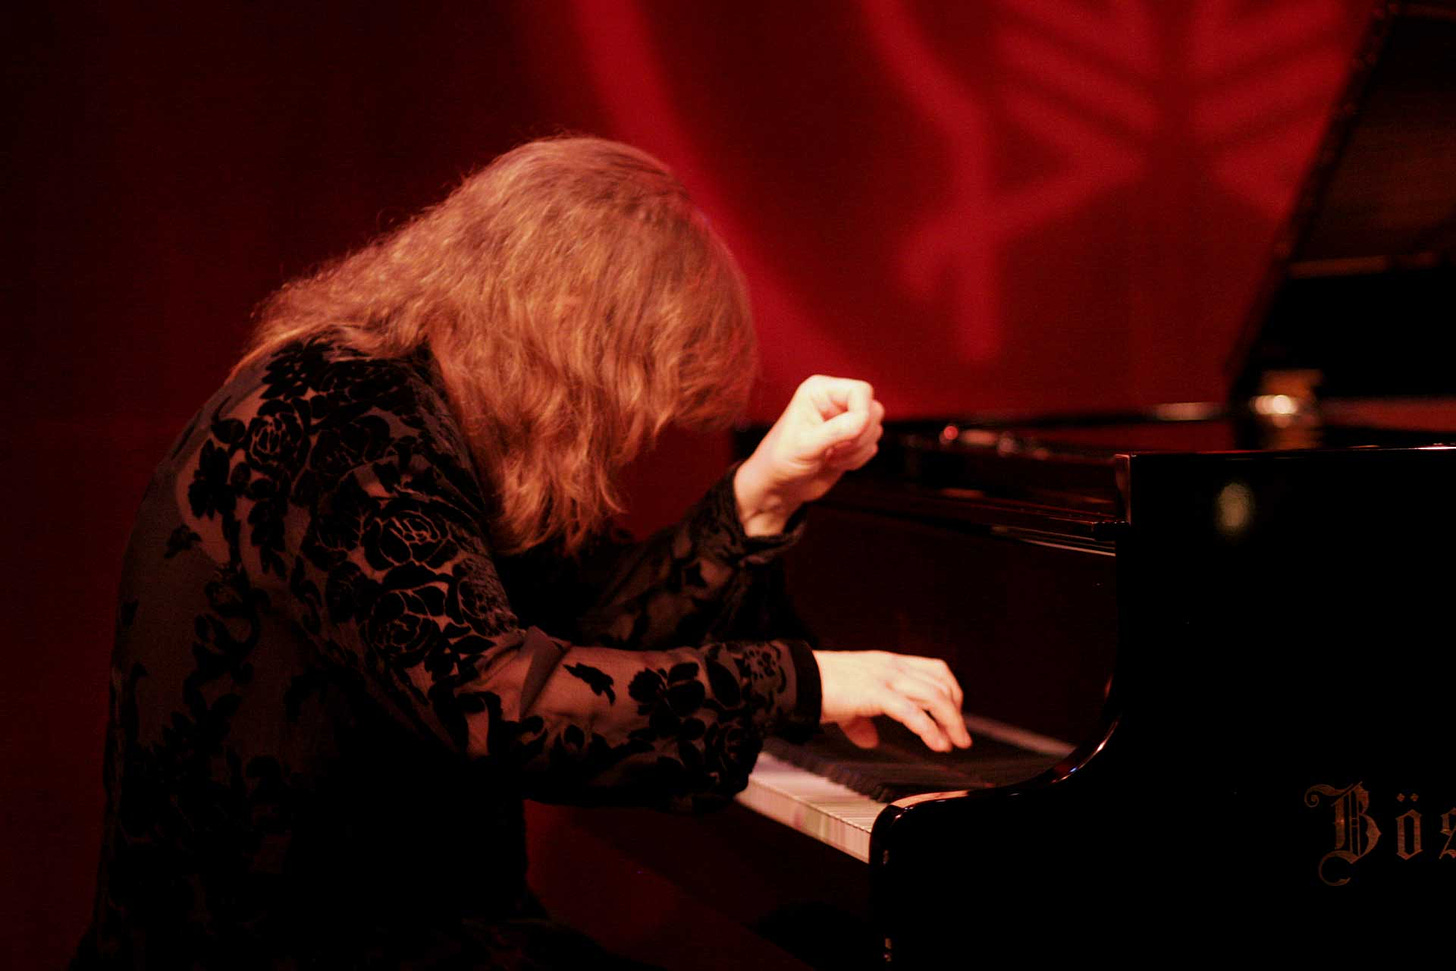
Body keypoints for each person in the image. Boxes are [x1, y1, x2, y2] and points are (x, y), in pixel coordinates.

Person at [76, 136, 970, 968]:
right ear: (568, 329)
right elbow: (499, 700)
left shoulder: (418, 414)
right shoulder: (336, 415)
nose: (627, 429)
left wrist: (760, 495)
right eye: (627, 387)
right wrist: (801, 680)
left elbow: (593, 629)